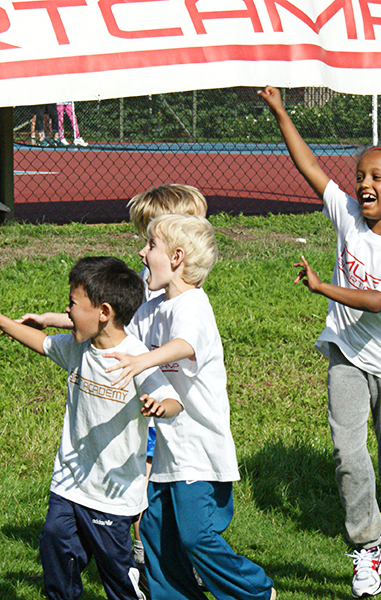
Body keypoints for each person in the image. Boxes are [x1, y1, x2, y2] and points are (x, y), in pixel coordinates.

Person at [260, 85, 381, 597]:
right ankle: (367, 544)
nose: (363, 184)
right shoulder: (347, 217)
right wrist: (280, 111)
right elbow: (310, 166)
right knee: (348, 452)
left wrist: (322, 288)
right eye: (360, 176)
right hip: (345, 353)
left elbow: (377, 301)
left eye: (376, 177)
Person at [0, 256, 181, 600]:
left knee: (116, 573)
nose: (67, 311)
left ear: (104, 312)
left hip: (113, 494)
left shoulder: (135, 357)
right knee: (55, 545)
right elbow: (41, 342)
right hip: (70, 481)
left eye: (73, 304)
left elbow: (173, 400)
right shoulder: (77, 349)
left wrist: (160, 407)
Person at [104, 213, 275, 600]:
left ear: (177, 257)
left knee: (196, 537)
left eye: (151, 246)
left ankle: (257, 592)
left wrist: (142, 361)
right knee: (153, 531)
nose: (142, 253)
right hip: (168, 450)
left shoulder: (193, 305)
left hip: (199, 449)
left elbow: (185, 345)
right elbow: (113, 331)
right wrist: (55, 321)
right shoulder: (152, 308)